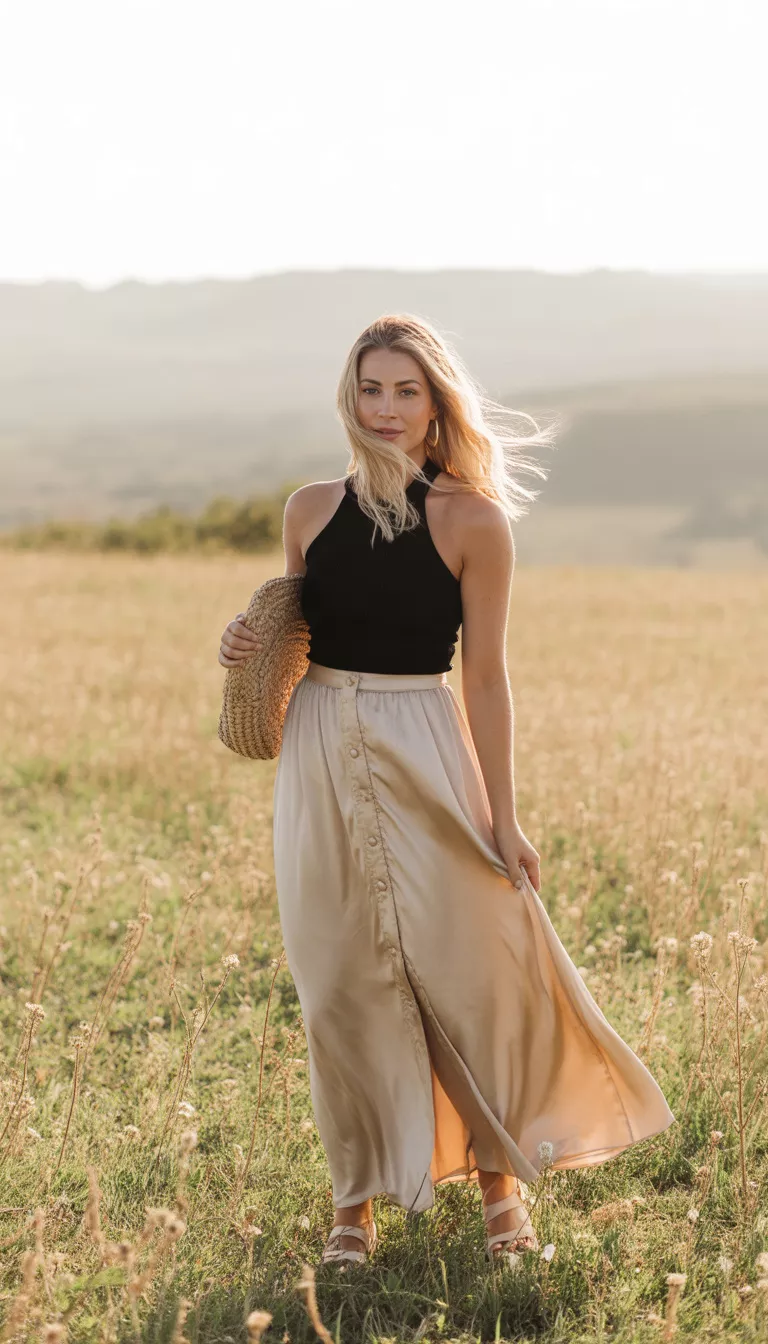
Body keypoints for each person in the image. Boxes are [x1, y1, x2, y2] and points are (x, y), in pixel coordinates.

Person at [218, 313, 676, 1271]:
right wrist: (242, 644)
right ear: (349, 398)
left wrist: (505, 818)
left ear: (436, 405)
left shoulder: (474, 521)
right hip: (319, 752)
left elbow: (488, 679)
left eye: (405, 391)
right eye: (370, 389)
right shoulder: (309, 508)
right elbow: (291, 636)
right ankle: (353, 1207)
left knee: (465, 975)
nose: (385, 409)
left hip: (425, 743)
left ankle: (503, 1190)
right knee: (338, 985)